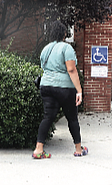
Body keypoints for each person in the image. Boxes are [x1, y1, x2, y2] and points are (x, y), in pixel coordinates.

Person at [33, 20, 87, 159]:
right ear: (64, 34)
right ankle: (78, 149)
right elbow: (71, 69)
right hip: (65, 88)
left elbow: (44, 67)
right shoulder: (66, 48)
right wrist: (79, 90)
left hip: (46, 86)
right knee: (72, 119)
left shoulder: (45, 49)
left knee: (48, 117)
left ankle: (39, 149)